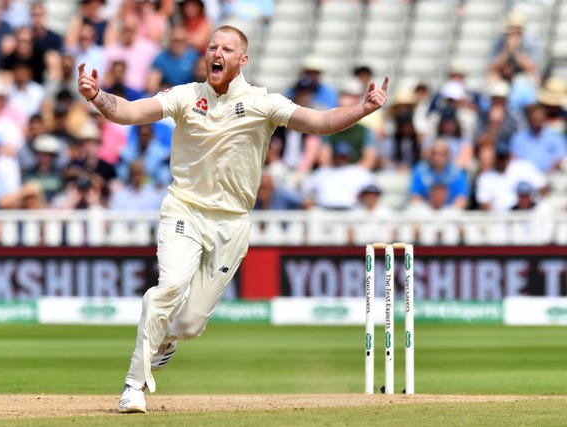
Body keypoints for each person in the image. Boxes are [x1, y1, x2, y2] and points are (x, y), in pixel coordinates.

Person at [77, 25, 388, 413]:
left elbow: (321, 123)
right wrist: (97, 96)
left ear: (243, 60)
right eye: (212, 47)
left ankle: (167, 339)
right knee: (169, 287)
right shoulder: (186, 95)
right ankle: (133, 385)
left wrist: (364, 108)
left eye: (226, 48)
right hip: (185, 209)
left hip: (232, 222)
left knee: (191, 324)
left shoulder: (263, 102)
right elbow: (130, 112)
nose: (216, 53)